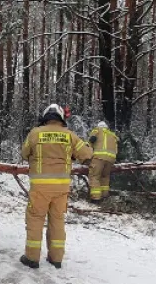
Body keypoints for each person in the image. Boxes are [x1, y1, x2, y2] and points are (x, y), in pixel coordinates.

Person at [20, 103, 93, 269]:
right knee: (57, 221)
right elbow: (87, 155)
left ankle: (32, 258)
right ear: (61, 118)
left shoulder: (35, 133)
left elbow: (24, 154)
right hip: (61, 189)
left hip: (40, 188)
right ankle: (56, 258)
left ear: (45, 117)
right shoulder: (69, 135)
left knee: (35, 219)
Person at [88, 121, 118, 202]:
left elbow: (90, 143)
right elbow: (116, 149)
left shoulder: (96, 131)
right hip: (111, 159)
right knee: (105, 177)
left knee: (95, 176)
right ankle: (105, 195)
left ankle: (96, 198)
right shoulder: (112, 135)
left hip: (99, 157)